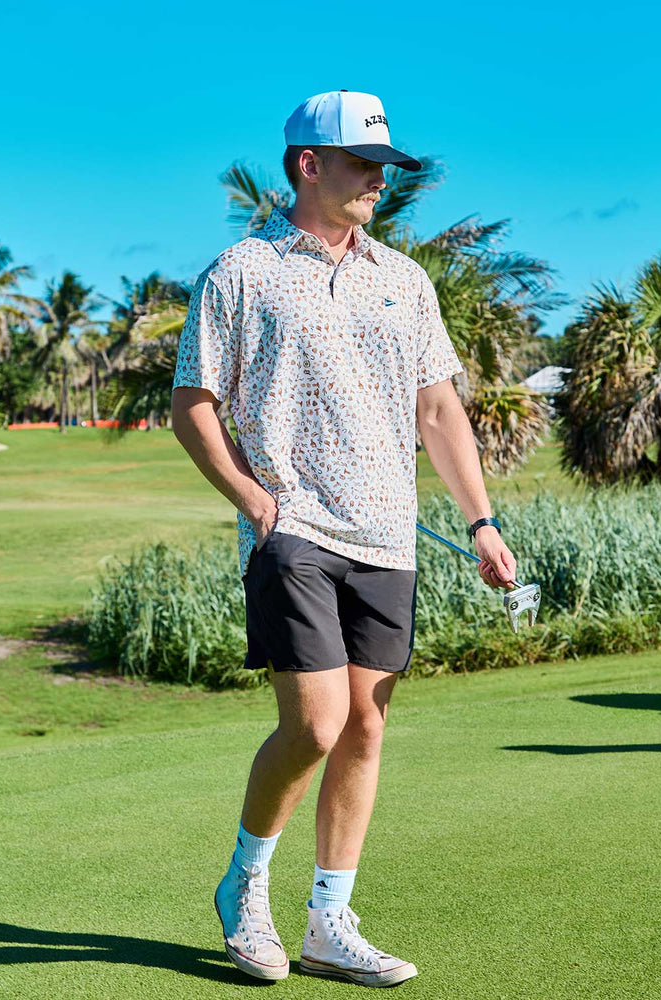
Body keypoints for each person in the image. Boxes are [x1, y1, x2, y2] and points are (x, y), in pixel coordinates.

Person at [171, 89, 517, 987]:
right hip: (295, 530)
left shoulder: (404, 280)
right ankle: (245, 885)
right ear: (307, 165)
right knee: (318, 724)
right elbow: (193, 403)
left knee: (364, 727)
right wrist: (250, 496)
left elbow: (437, 409)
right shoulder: (239, 272)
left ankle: (329, 923)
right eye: (363, 165)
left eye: (384, 167)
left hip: (387, 535)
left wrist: (480, 518)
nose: (378, 181)